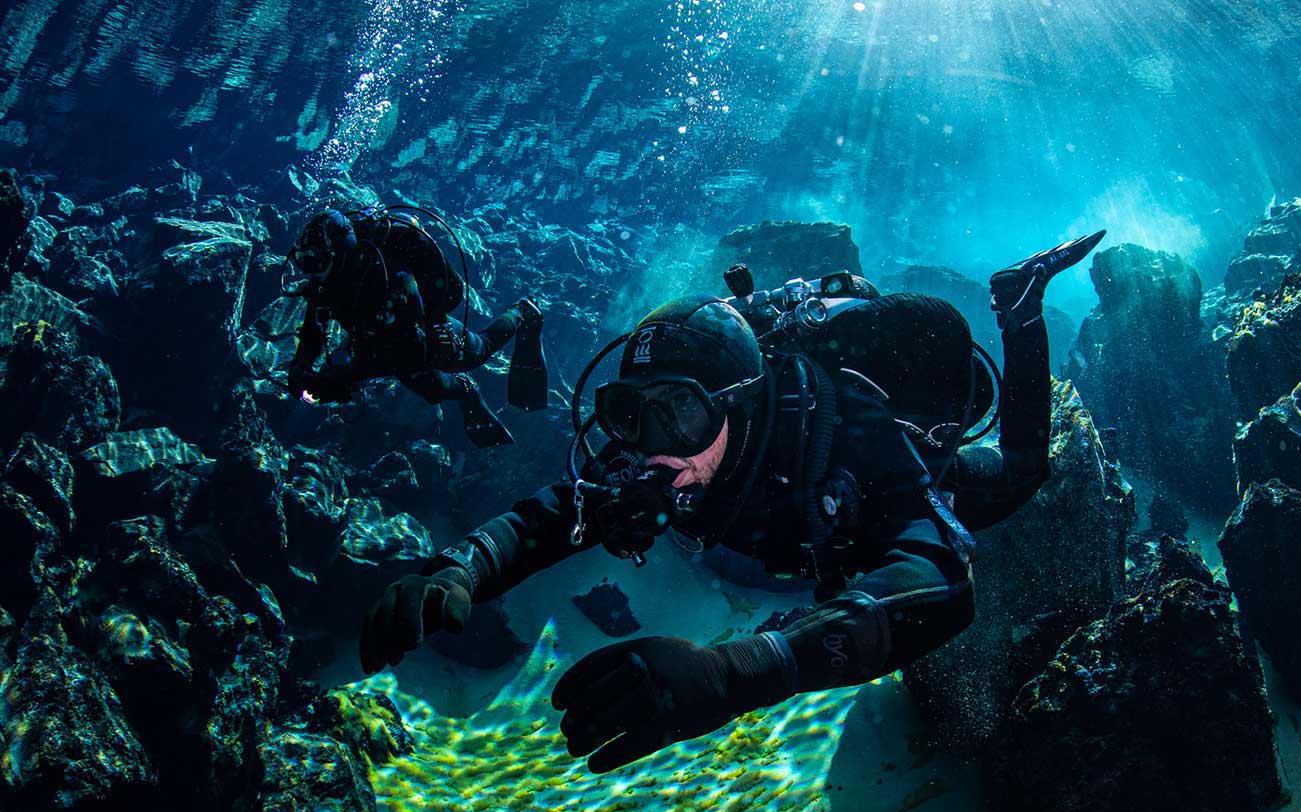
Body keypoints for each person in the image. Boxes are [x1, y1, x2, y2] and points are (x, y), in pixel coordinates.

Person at [359, 231, 1105, 773]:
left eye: (679, 413)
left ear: (738, 407)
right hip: (788, 540)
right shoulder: (663, 449)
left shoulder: (845, 432)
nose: (652, 447)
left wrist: (736, 672)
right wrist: (461, 567)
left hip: (878, 483)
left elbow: (942, 584)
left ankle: (1021, 308)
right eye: (630, 414)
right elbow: (558, 512)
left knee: (1021, 472)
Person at [281, 206, 548, 446]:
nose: (310, 272)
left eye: (314, 262)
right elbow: (313, 330)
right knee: (428, 385)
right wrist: (301, 366)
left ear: (337, 252)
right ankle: (466, 392)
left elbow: (401, 346)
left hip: (420, 326)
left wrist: (343, 377)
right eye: (305, 263)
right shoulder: (328, 281)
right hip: (381, 337)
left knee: (473, 354)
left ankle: (521, 313)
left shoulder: (391, 275)